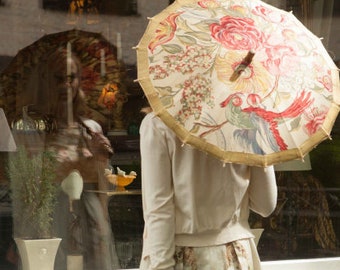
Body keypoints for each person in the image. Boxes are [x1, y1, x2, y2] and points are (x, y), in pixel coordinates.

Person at [139, 110, 278, 269]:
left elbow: (159, 209)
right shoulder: (249, 122)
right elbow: (265, 205)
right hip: (236, 255)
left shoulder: (159, 123)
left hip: (182, 256)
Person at [32, 49, 119, 270]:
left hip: (90, 212)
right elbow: (31, 183)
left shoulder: (91, 129)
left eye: (71, 78)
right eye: (59, 78)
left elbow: (105, 187)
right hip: (55, 213)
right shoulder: (37, 130)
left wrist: (100, 159)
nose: (66, 85)